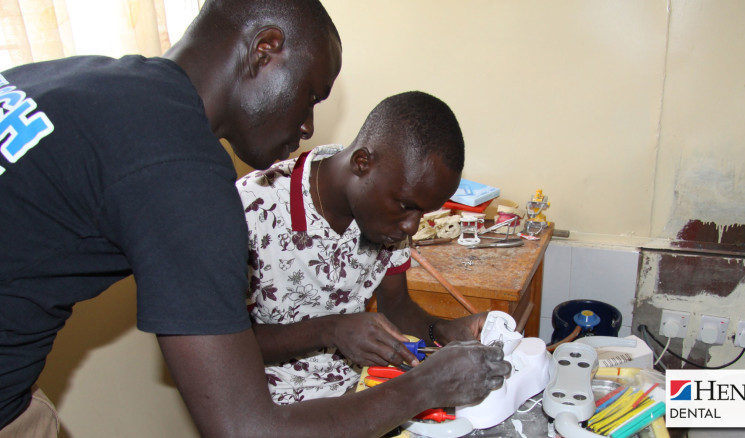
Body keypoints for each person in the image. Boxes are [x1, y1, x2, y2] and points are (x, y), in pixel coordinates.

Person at [0, 0, 510, 436]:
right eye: (310, 95)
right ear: (264, 51)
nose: (308, 124)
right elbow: (246, 428)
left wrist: (445, 333)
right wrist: (422, 388)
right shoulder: (186, 178)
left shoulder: (78, 80)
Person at [238, 91, 489, 404]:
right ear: (362, 163)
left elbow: (395, 306)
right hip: (274, 409)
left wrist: (441, 330)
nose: (412, 226)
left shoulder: (389, 218)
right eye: (407, 205)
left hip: (359, 393)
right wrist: (331, 330)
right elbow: (228, 344)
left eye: (422, 213)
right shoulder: (252, 207)